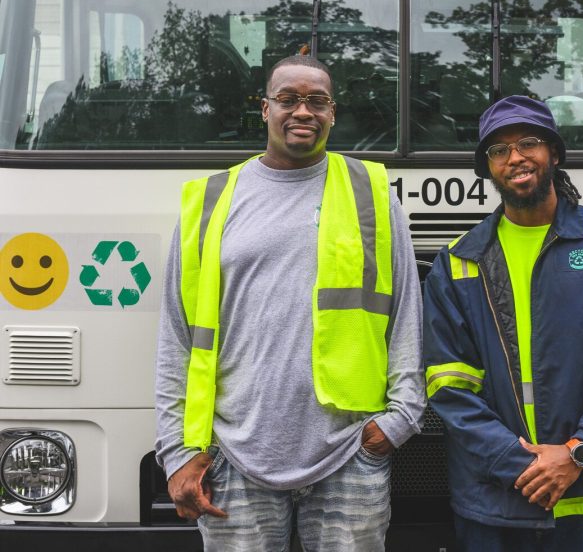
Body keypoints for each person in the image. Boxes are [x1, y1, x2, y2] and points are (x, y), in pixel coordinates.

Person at [155, 54, 425, 551]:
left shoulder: (372, 194)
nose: (303, 111)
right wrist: (177, 451)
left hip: (349, 452)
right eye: (288, 99)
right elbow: (177, 335)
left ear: (333, 113)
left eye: (317, 101)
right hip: (232, 455)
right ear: (264, 109)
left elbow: (406, 314)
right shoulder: (210, 201)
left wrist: (400, 419)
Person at [422, 95, 583, 551]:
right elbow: (447, 384)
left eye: (528, 142)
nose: (515, 157)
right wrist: (519, 462)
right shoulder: (458, 262)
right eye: (499, 150)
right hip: (499, 500)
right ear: (488, 168)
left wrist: (578, 453)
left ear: (553, 153)